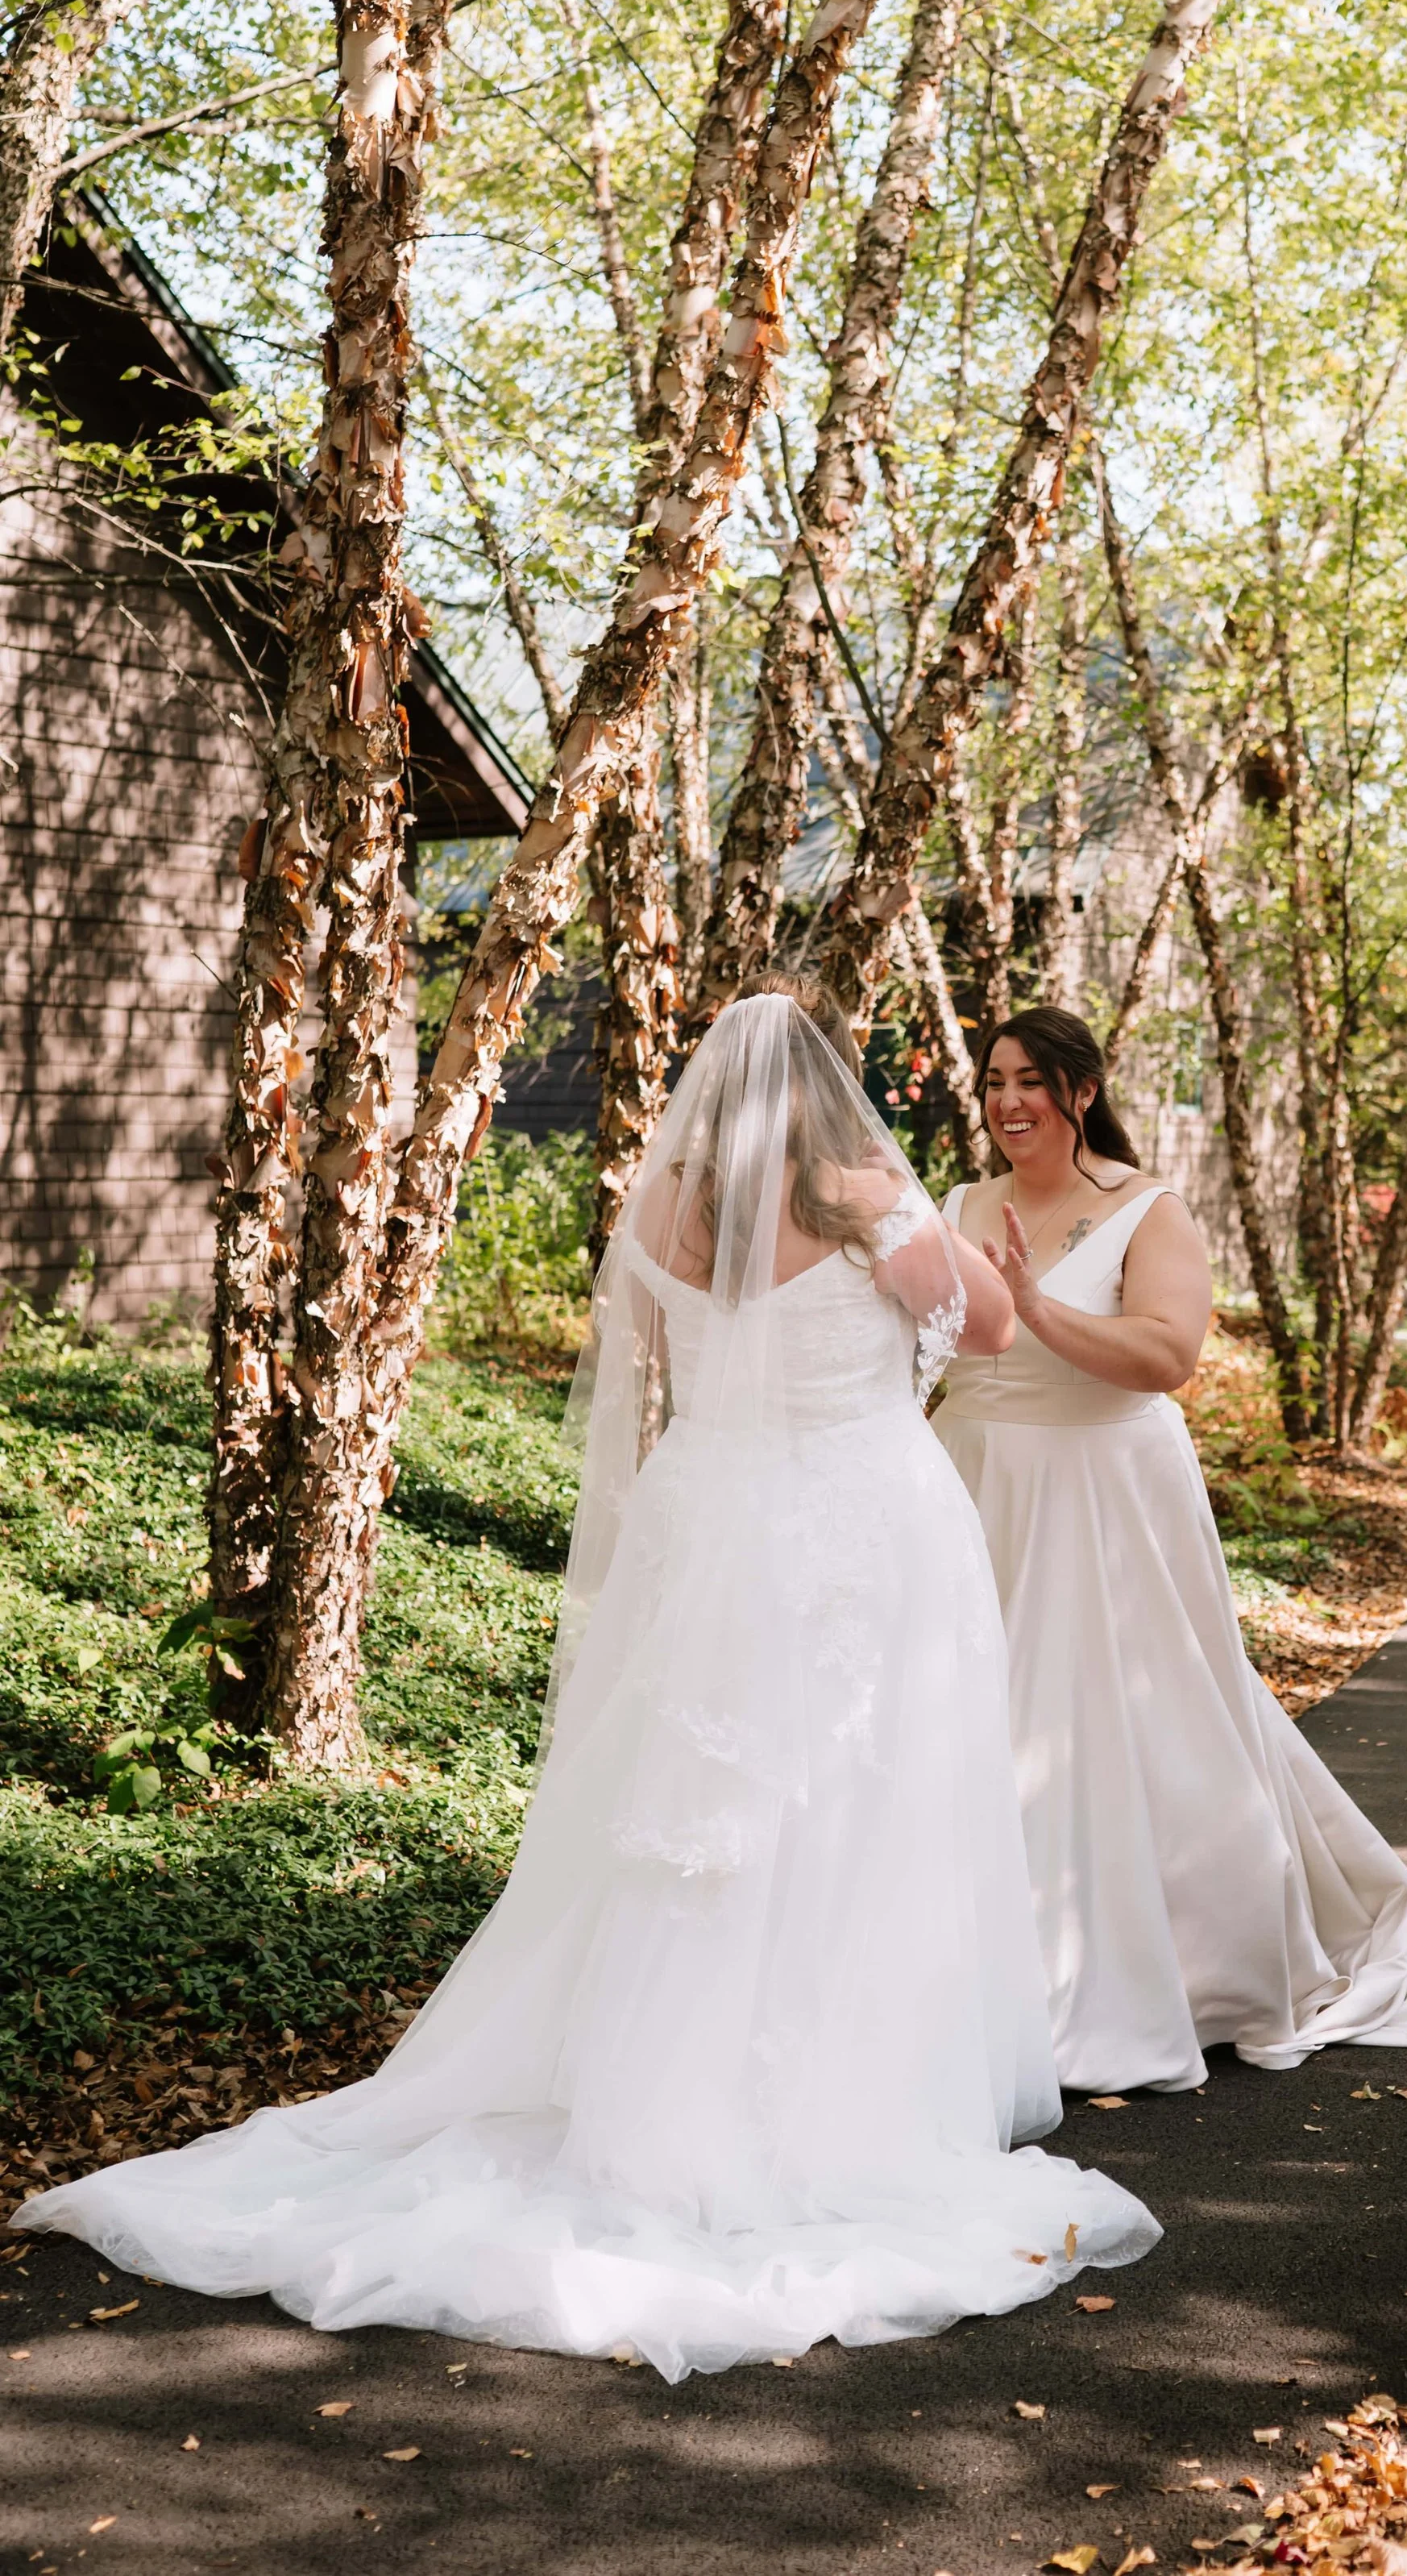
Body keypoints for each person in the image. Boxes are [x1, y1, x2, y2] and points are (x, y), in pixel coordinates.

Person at [15, 981, 1158, 2376]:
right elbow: (982, 1330)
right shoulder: (864, 1193)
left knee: (687, 1820)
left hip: (712, 1525)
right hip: (862, 1535)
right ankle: (826, 2105)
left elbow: (665, 1371)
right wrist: (910, 1214)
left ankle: (652, 2101)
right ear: (823, 1096)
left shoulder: (666, 1205)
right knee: (847, 1811)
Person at [932, 1003, 1407, 2096]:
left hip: (1103, 1492)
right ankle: (964, 1966)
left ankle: (1155, 1970)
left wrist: (1039, 1309)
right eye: (993, 1080)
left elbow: (1167, 1353)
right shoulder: (955, 1203)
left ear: (1082, 1092)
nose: (1006, 1103)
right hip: (971, 1484)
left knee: (1111, 1716)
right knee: (971, 1719)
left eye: (1030, 1081)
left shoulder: (1150, 1211)